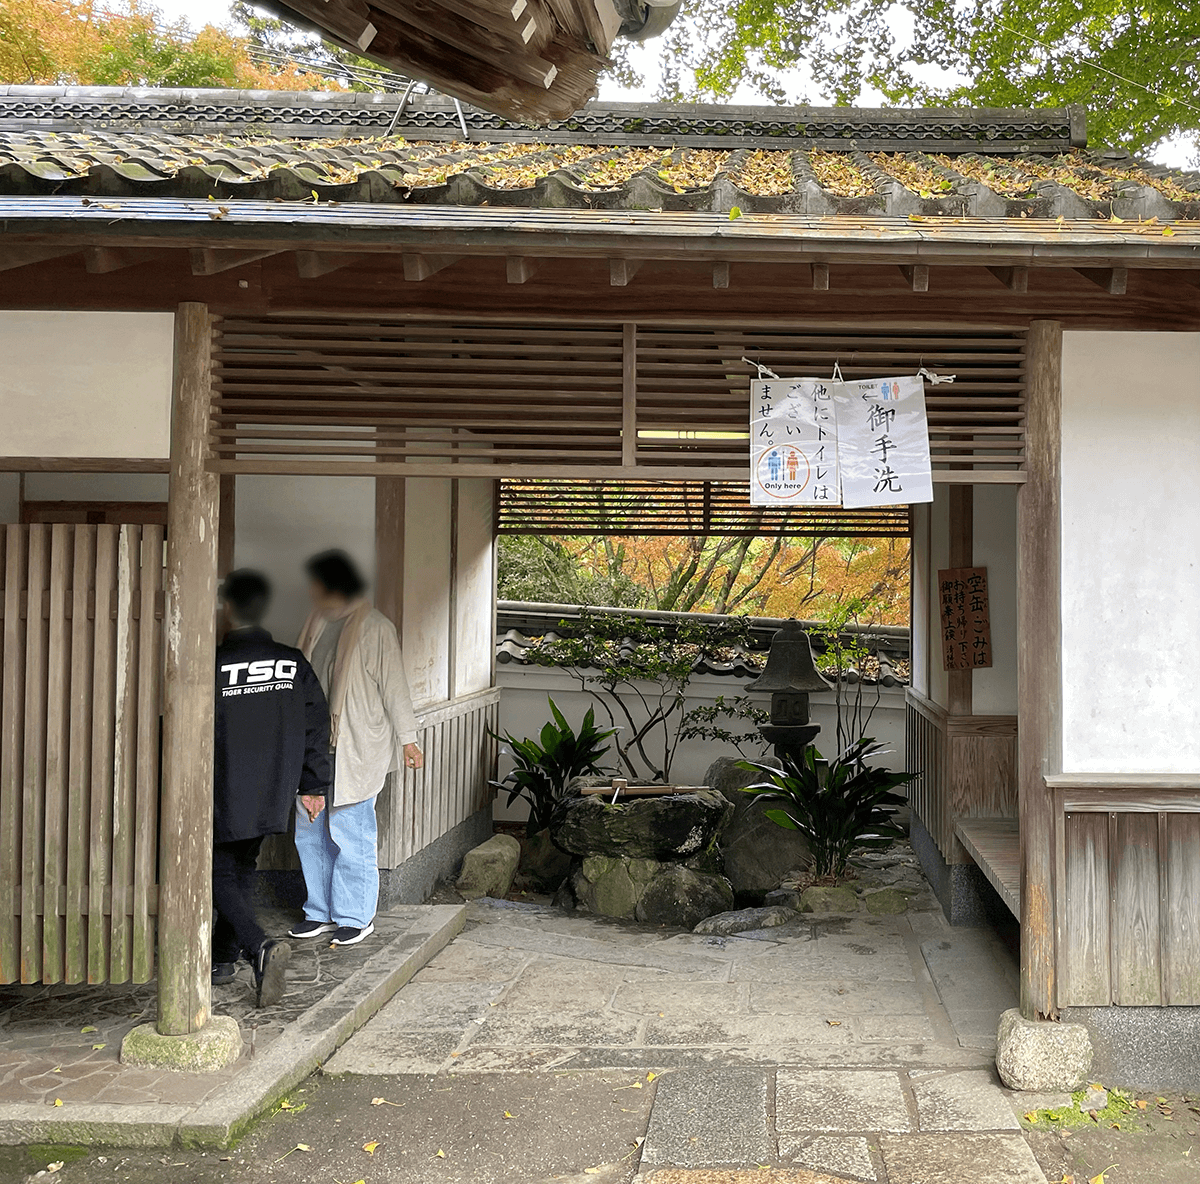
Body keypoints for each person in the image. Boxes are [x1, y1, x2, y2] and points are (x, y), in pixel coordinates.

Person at [290, 550, 424, 947]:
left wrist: (408, 739)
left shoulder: (376, 627)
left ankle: (354, 915)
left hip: (356, 744)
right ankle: (319, 910)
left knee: (351, 830)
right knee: (309, 829)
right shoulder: (314, 622)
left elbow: (394, 686)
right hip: (314, 744)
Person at [213, 569, 331, 1006]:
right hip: (271, 789)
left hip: (220, 785)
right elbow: (316, 725)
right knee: (240, 868)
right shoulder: (292, 662)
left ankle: (258, 945)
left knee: (216, 872)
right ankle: (223, 958)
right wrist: (313, 784)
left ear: (227, 609)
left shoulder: (213, 663)